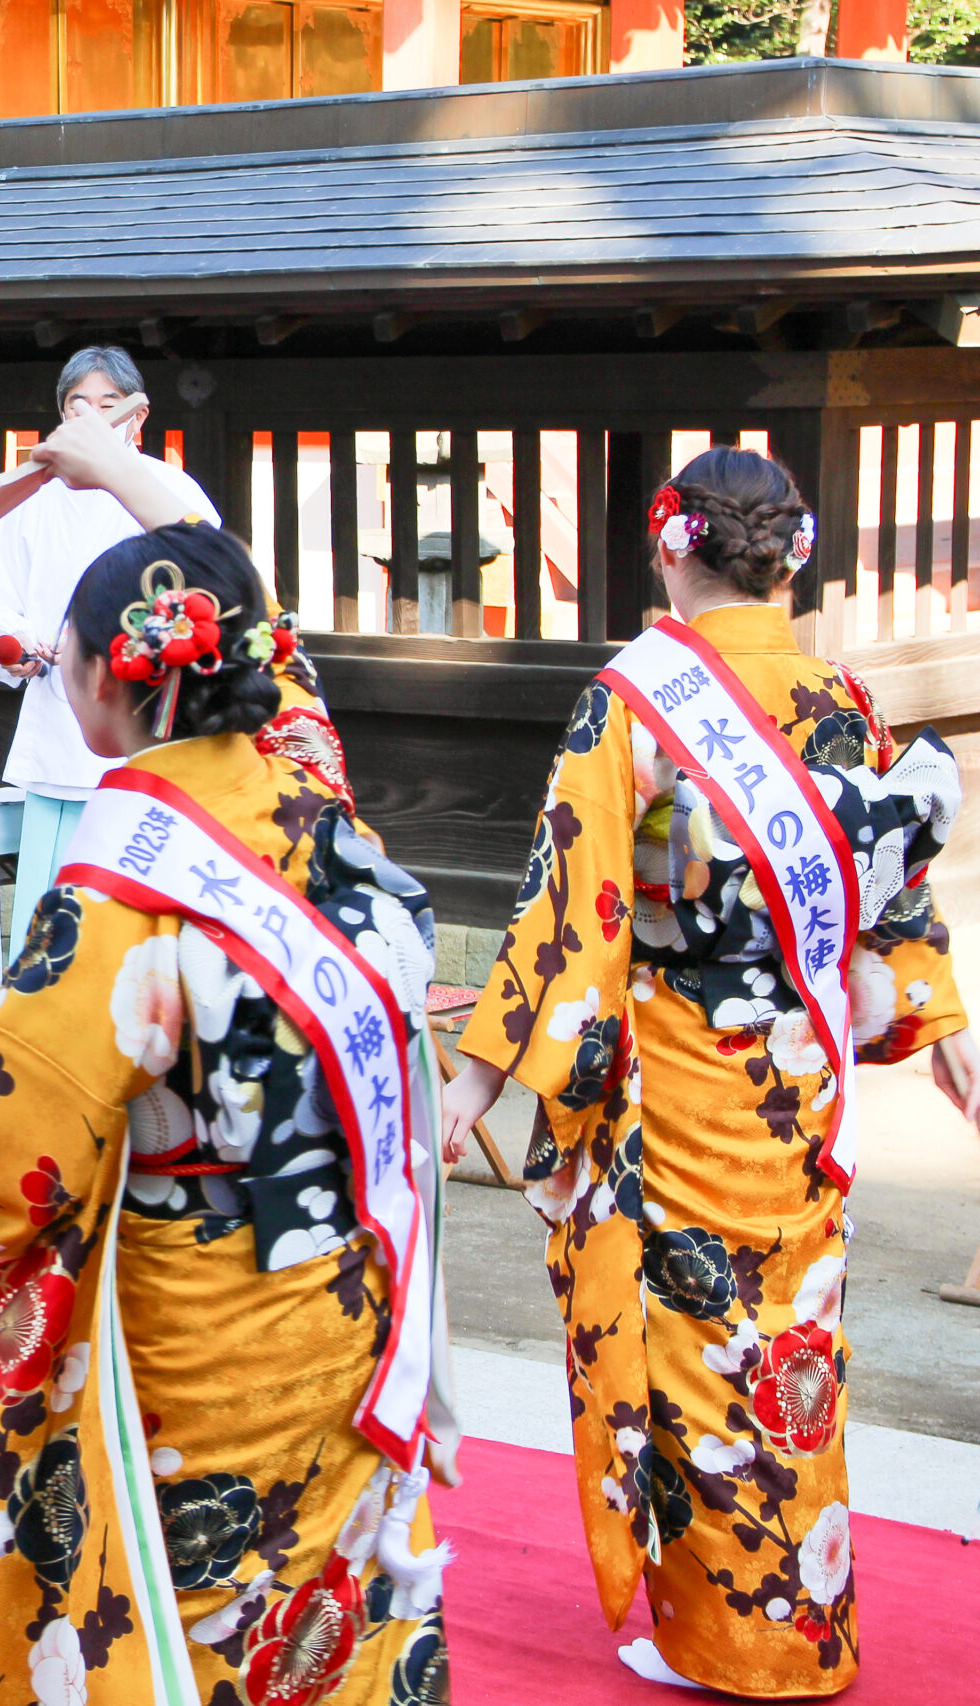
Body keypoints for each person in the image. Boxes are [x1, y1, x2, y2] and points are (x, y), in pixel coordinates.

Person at [0, 523, 453, 1705]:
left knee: (206, 1603)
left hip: (204, 1312)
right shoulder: (318, 799)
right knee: (326, 1591)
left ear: (109, 674)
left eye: (66, 658)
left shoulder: (121, 884)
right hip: (350, 1284)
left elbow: (17, 1149)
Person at [441, 449, 977, 1697]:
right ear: (787, 556)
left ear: (669, 546)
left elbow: (570, 905)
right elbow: (886, 895)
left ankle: (726, 1637)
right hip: (800, 1080)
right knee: (792, 1350)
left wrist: (484, 1074)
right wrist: (939, 1018)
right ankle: (804, 1620)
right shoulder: (841, 695)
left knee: (694, 1354)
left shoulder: (635, 696)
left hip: (680, 1076)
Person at [0, 348, 220, 931]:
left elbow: (215, 587)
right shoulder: (30, 501)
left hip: (151, 715)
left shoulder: (171, 490)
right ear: (61, 416)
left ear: (139, 415)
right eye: (80, 405)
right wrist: (16, 648)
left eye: (110, 405)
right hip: (62, 709)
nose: (96, 418)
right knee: (57, 904)